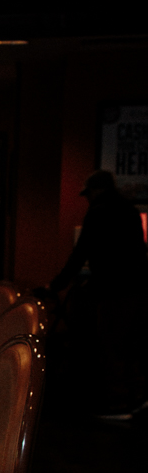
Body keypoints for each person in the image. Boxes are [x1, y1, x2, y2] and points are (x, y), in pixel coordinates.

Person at [49, 169, 148, 414]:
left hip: (112, 288)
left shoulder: (98, 213)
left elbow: (80, 253)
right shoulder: (131, 211)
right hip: (137, 286)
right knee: (132, 344)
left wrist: (57, 284)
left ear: (96, 190)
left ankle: (119, 404)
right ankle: (139, 397)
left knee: (111, 345)